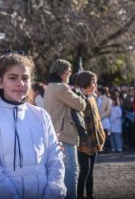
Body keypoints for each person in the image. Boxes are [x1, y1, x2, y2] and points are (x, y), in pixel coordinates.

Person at [0, 53, 66, 199]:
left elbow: (55, 159)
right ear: (0, 82)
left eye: (25, 78)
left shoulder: (41, 115)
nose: (20, 83)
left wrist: (53, 193)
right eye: (12, 78)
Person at [44, 59, 87, 199]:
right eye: (68, 70)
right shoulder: (61, 87)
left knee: (60, 173)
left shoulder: (50, 86)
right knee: (71, 172)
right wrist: (79, 93)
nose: (70, 73)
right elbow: (81, 105)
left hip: (55, 134)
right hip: (66, 135)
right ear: (62, 73)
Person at [73, 71, 105, 199]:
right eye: (93, 83)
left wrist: (101, 135)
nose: (95, 86)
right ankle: (79, 196)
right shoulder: (77, 99)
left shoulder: (92, 98)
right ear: (85, 83)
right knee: (84, 171)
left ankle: (90, 195)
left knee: (90, 172)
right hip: (82, 143)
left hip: (94, 140)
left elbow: (97, 120)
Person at [96, 86, 112, 152]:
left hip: (104, 120)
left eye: (97, 91)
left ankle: (107, 148)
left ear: (100, 92)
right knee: (99, 135)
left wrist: (100, 116)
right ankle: (100, 148)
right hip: (97, 120)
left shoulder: (107, 99)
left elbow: (109, 111)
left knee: (105, 135)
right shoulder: (94, 98)